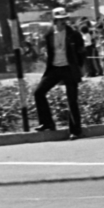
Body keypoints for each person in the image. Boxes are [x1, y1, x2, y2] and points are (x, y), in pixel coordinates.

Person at [33, 7, 86, 139]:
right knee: (38, 92)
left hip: (69, 68)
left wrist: (78, 67)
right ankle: (47, 123)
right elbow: (46, 50)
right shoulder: (49, 34)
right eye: (60, 20)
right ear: (54, 20)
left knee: (72, 99)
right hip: (54, 68)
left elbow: (81, 51)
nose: (63, 22)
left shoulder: (74, 34)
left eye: (64, 19)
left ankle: (75, 130)